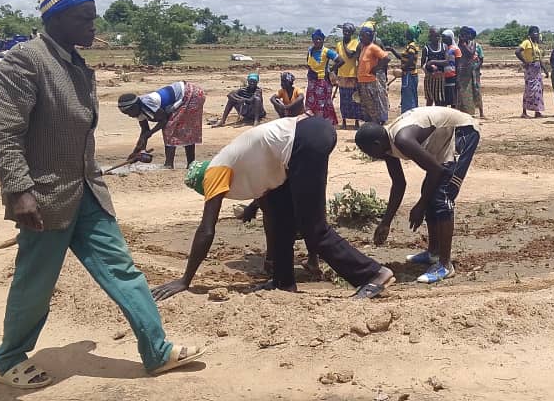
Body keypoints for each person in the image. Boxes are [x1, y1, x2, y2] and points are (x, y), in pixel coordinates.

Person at [0, 0, 203, 389]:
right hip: (44, 196)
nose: (94, 25)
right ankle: (9, 357)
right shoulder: (24, 63)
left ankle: (156, 351)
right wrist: (19, 190)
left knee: (122, 269)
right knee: (36, 282)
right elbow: (3, 133)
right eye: (86, 18)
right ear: (59, 18)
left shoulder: (79, 66)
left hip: (88, 191)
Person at [152, 115, 395, 300]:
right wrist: (254, 213)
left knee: (313, 227)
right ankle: (283, 281)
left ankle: (372, 274)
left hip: (304, 139)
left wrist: (185, 280)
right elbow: (271, 212)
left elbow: (207, 229)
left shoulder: (215, 173)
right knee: (281, 222)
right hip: (304, 137)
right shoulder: (240, 170)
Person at [354, 107, 479, 284]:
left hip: (462, 132)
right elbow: (399, 184)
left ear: (375, 144)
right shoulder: (387, 145)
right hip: (442, 143)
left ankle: (445, 265)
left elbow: (436, 170)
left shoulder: (402, 139)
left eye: (366, 151)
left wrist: (420, 206)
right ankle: (433, 253)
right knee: (428, 191)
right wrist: (385, 222)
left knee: (442, 197)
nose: (369, 156)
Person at [118, 80, 205, 169]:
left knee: (177, 129)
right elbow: (144, 132)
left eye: (129, 112)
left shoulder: (147, 104)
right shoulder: (138, 111)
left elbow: (164, 119)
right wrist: (136, 152)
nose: (129, 115)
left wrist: (151, 132)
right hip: (185, 96)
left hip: (191, 94)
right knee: (181, 129)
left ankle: (172, 164)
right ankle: (186, 164)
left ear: (135, 107)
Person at [357, 24, 391, 124]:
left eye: (363, 36)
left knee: (374, 106)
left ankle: (376, 126)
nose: (361, 38)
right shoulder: (364, 47)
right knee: (367, 106)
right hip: (363, 81)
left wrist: (375, 69)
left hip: (370, 81)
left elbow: (386, 58)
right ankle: (371, 125)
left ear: (369, 36)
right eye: (360, 36)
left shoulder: (373, 47)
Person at [306, 29, 339, 125]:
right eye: (316, 39)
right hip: (312, 82)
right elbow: (308, 64)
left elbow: (340, 60)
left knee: (322, 104)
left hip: (322, 83)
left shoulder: (327, 52)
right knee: (311, 104)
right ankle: (313, 123)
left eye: (320, 39)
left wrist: (331, 70)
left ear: (323, 40)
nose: (318, 41)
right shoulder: (310, 51)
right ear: (313, 40)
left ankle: (323, 124)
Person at [334, 23, 362, 130]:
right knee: (344, 100)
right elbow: (337, 61)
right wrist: (335, 75)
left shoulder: (356, 43)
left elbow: (351, 55)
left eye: (348, 31)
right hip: (342, 76)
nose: (345, 33)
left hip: (353, 76)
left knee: (355, 99)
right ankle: (344, 120)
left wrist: (344, 44)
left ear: (351, 33)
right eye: (344, 31)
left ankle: (356, 121)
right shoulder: (338, 45)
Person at [516, 26, 548, 118]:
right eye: (535, 33)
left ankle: (537, 112)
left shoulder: (535, 44)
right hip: (530, 69)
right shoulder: (526, 43)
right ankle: (524, 112)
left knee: (539, 90)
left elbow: (539, 58)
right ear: (530, 34)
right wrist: (525, 62)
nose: (537, 35)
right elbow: (517, 51)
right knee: (529, 90)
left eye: (538, 33)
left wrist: (545, 70)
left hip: (537, 70)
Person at [387, 26, 421, 113]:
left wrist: (403, 69)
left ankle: (409, 115)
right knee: (410, 95)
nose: (405, 34)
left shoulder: (411, 47)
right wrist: (392, 50)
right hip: (410, 74)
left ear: (410, 34)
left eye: (407, 33)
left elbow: (410, 59)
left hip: (409, 74)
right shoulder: (410, 46)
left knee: (408, 96)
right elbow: (401, 57)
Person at [456, 26, 481, 116]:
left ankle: (469, 113)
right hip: (460, 72)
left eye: (466, 35)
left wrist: (464, 45)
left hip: (469, 72)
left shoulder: (472, 43)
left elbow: (470, 54)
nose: (465, 37)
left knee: (469, 94)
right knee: (460, 94)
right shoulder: (458, 44)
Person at [422, 28, 446, 107]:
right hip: (430, 78)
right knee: (429, 99)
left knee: (439, 100)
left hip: (440, 78)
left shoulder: (444, 47)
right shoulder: (426, 48)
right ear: (430, 37)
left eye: (438, 36)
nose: (437, 38)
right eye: (435, 36)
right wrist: (429, 69)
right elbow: (423, 64)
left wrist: (432, 62)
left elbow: (446, 62)